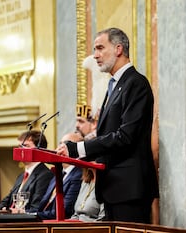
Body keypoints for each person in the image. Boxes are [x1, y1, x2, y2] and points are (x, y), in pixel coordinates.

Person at [57, 27, 158, 223]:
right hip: (114, 188)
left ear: (119, 49)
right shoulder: (114, 84)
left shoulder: (136, 83)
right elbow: (107, 133)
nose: (95, 55)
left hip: (130, 190)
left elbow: (125, 136)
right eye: (95, 50)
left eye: (100, 48)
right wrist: (71, 151)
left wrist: (78, 148)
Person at [0, 130, 53, 212]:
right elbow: (8, 199)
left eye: (26, 146)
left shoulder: (45, 175)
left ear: (39, 149)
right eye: (19, 146)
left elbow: (36, 207)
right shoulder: (22, 175)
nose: (21, 150)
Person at [34, 132, 83, 220]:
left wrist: (34, 216)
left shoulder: (78, 175)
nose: (60, 147)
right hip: (42, 218)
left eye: (66, 144)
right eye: (60, 143)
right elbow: (44, 203)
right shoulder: (59, 173)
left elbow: (65, 211)